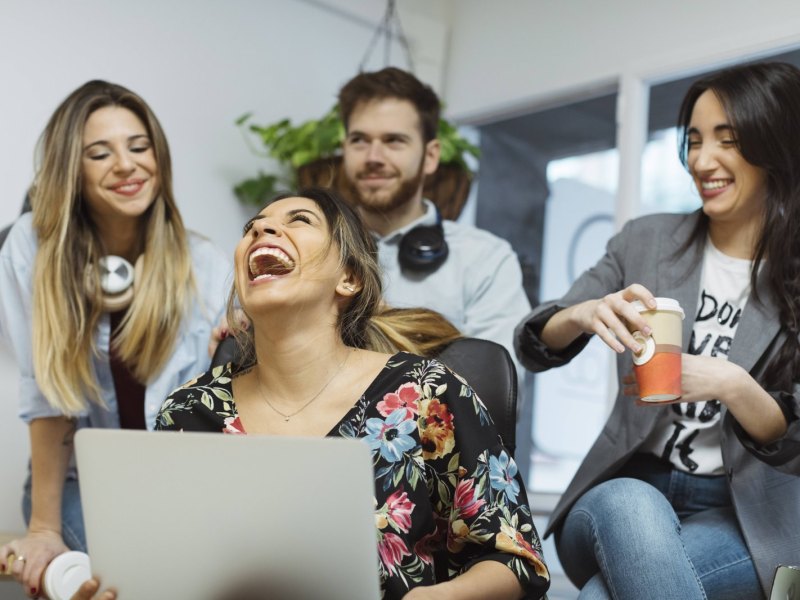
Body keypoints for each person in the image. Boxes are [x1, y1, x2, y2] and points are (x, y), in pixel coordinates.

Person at [70, 188, 549, 600]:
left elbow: (516, 560)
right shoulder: (189, 411)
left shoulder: (427, 394)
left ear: (349, 278)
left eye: (298, 221)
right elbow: (164, 565)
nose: (262, 232)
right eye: (253, 228)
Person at [515, 61, 800, 599]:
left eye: (728, 141)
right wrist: (578, 315)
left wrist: (733, 384)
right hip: (622, 491)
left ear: (775, 147)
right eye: (693, 140)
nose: (701, 160)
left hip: (747, 516)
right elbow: (535, 345)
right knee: (631, 505)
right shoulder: (646, 241)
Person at [0, 80, 229, 597]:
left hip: (180, 487)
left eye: (139, 146)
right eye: (99, 153)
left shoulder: (206, 263)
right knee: (129, 580)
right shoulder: (32, 246)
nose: (126, 165)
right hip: (83, 485)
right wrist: (43, 530)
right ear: (71, 171)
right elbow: (49, 392)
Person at [337, 67, 531, 383]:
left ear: (430, 156)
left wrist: (392, 326)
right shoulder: (310, 249)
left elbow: (494, 392)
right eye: (359, 140)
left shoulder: (485, 259)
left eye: (393, 141)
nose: (374, 156)